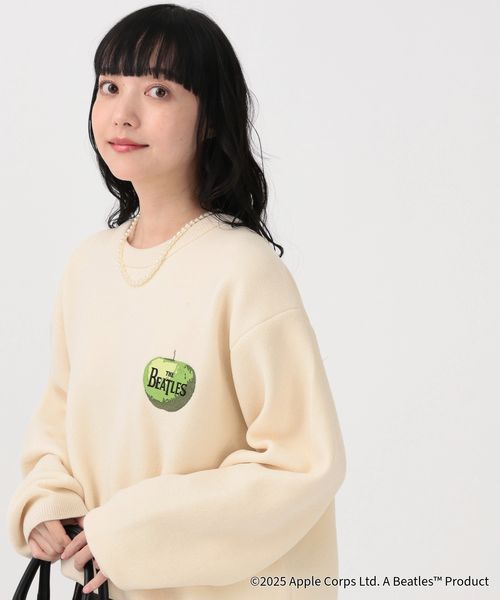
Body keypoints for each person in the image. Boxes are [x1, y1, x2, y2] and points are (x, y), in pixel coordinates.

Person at [6, 4, 346, 599]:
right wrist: (46, 501)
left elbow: (301, 465)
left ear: (210, 119)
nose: (123, 113)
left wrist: (129, 534)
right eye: (110, 86)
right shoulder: (88, 267)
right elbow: (59, 421)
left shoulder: (244, 271)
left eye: (159, 91)